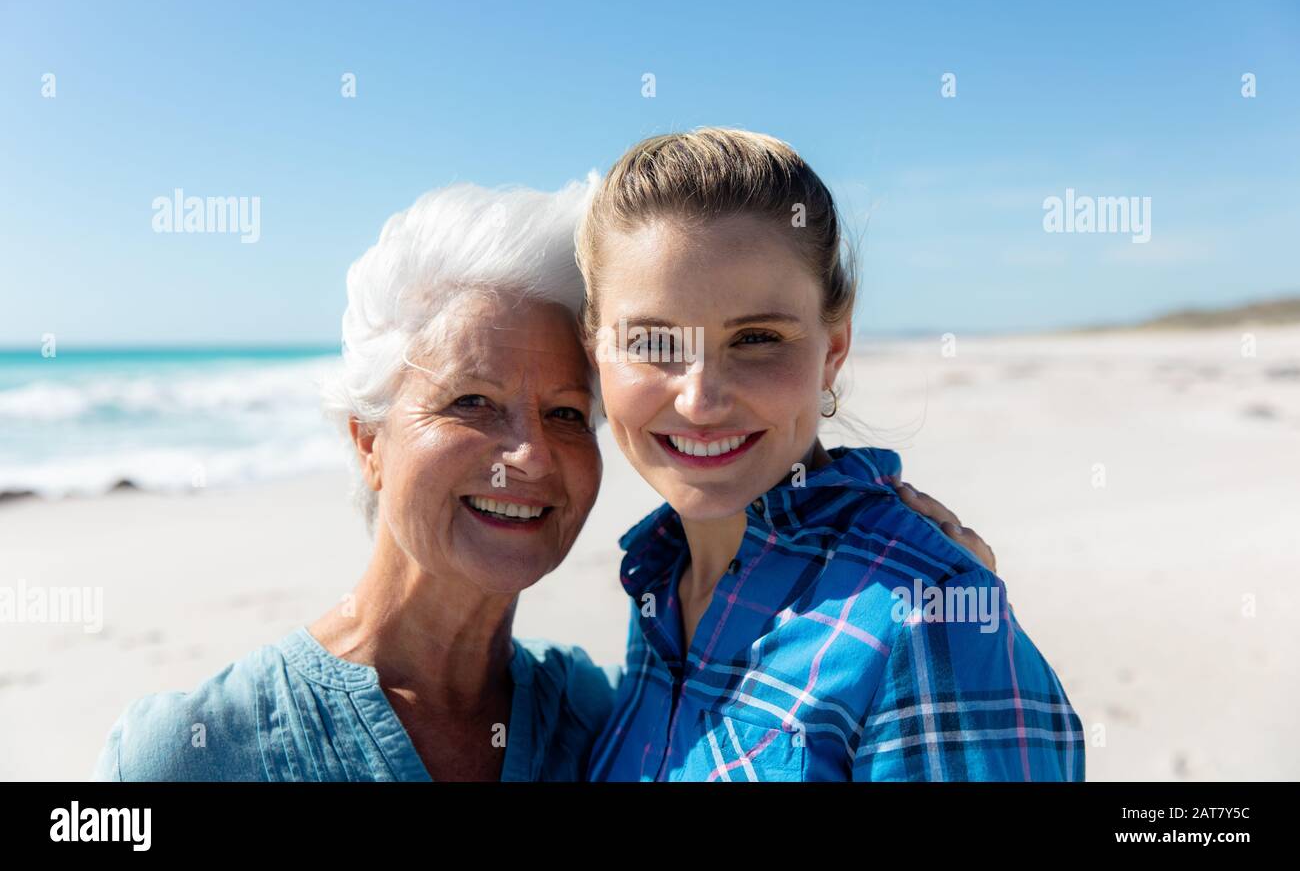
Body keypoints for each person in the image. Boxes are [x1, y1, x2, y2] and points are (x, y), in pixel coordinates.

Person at [92, 174, 991, 781]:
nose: (526, 454)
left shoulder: (596, 722)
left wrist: (920, 579)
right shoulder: (192, 751)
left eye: (566, 413)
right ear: (367, 438)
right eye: (472, 403)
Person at [578, 128, 1084, 781]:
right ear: (597, 354)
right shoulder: (659, 583)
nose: (701, 400)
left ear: (834, 351)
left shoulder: (925, 615)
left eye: (757, 338)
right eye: (653, 342)